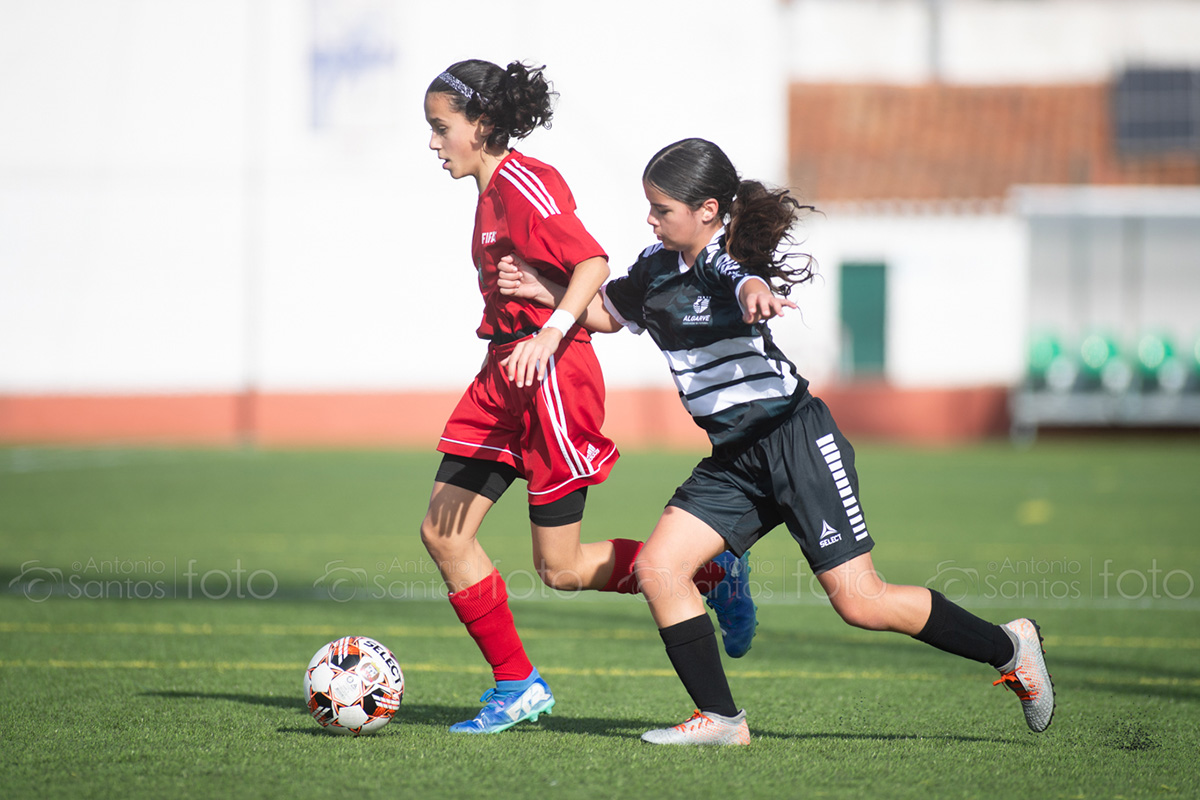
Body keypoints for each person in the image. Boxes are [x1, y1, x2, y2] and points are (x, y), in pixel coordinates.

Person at [497, 137, 1055, 745]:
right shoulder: (656, 267)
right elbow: (610, 314)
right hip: (734, 459)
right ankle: (720, 719)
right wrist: (545, 292)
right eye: (650, 208)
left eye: (661, 209)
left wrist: (753, 293)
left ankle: (1011, 645)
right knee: (660, 568)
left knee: (861, 602)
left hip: (796, 442)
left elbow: (738, 279)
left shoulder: (724, 261)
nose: (650, 219)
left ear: (707, 210)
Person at [420, 66, 756, 735]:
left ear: (481, 125)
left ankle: (711, 574)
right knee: (442, 532)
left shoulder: (525, 183)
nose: (433, 143)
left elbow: (594, 265)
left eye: (440, 127)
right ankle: (516, 685)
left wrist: (549, 332)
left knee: (562, 569)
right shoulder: (488, 193)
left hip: (549, 382)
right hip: (502, 375)